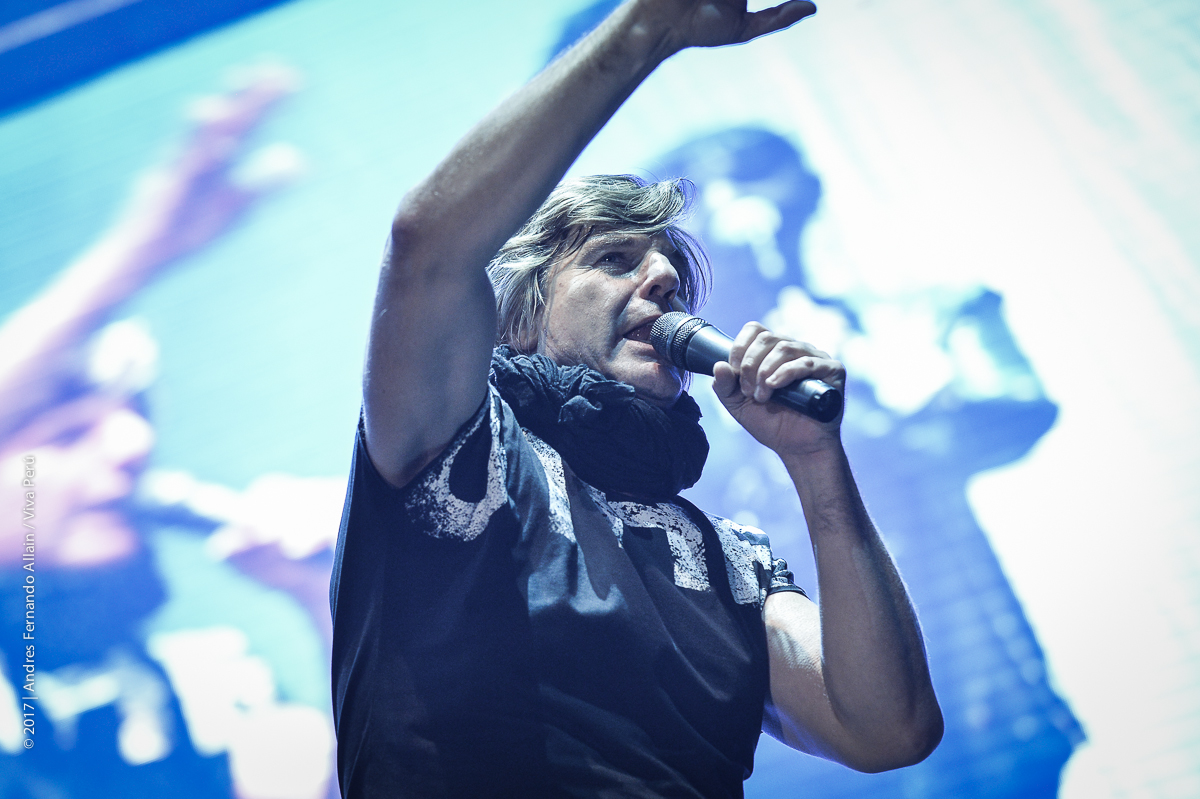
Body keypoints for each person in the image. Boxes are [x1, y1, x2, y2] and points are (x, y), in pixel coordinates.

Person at [329, 1, 943, 797]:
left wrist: (815, 459)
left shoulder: (728, 556)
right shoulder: (464, 444)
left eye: (673, 278)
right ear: (519, 316)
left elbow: (888, 729)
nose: (660, 279)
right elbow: (429, 245)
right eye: (615, 259)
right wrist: (649, 28)